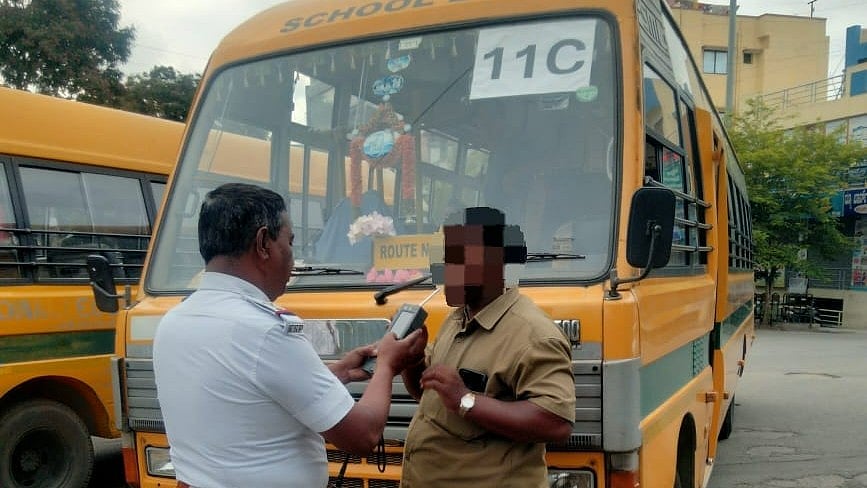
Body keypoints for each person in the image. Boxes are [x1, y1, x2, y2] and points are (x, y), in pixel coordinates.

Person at [152, 183, 427, 488]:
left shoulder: (174, 321)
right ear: (263, 244)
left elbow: (244, 398)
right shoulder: (264, 330)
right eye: (290, 242)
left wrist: (339, 373)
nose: (292, 258)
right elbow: (362, 436)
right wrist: (387, 364)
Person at [400, 206, 576, 487]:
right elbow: (429, 395)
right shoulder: (457, 318)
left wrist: (466, 400)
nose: (444, 271)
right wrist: (412, 361)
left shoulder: (534, 334)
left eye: (456, 260)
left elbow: (556, 423)